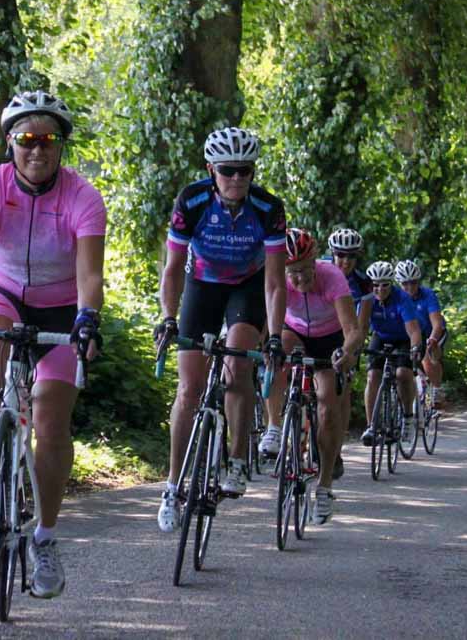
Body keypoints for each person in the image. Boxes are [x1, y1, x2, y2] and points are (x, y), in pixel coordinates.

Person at [0, 91, 105, 599]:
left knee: (51, 419)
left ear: (60, 146)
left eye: (47, 139)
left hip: (61, 304)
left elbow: (91, 273)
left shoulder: (83, 197)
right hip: (1, 289)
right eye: (27, 139)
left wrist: (88, 318)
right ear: (11, 143)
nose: (37, 149)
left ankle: (46, 539)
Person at [154, 127, 288, 533]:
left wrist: (277, 335)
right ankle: (173, 485)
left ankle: (236, 460)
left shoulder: (267, 208)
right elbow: (173, 268)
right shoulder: (191, 201)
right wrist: (168, 316)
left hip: (248, 286)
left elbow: (275, 283)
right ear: (211, 170)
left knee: (237, 365)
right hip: (203, 283)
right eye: (228, 171)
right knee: (188, 389)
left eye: (245, 171)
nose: (237, 179)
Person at [260, 229, 364, 524]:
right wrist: (268, 344)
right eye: (293, 273)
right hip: (295, 333)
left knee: (329, 404)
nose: (300, 279)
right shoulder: (280, 281)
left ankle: (325, 486)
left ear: (316, 262)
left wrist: (345, 353)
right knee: (278, 353)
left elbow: (353, 331)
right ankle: (275, 427)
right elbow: (269, 324)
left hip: (330, 341)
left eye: (306, 271)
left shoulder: (332, 276)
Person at [357, 261, 424, 446]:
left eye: (384, 284)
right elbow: (362, 328)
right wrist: (355, 348)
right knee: (372, 376)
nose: (379, 289)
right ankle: (371, 425)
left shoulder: (402, 298)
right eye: (375, 285)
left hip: (403, 338)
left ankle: (408, 417)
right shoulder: (367, 299)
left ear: (391, 284)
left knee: (403, 373)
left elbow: (413, 330)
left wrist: (415, 348)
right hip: (380, 337)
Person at [396, 260, 447, 412]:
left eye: (413, 283)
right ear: (399, 283)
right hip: (410, 333)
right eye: (405, 284)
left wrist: (432, 339)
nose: (410, 287)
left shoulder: (428, 295)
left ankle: (437, 390)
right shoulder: (395, 297)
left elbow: (437, 323)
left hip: (431, 330)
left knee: (428, 356)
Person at [327, 228, 372, 301]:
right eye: (341, 254)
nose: (346, 261)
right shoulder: (320, 276)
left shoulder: (364, 282)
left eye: (352, 255)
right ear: (333, 255)